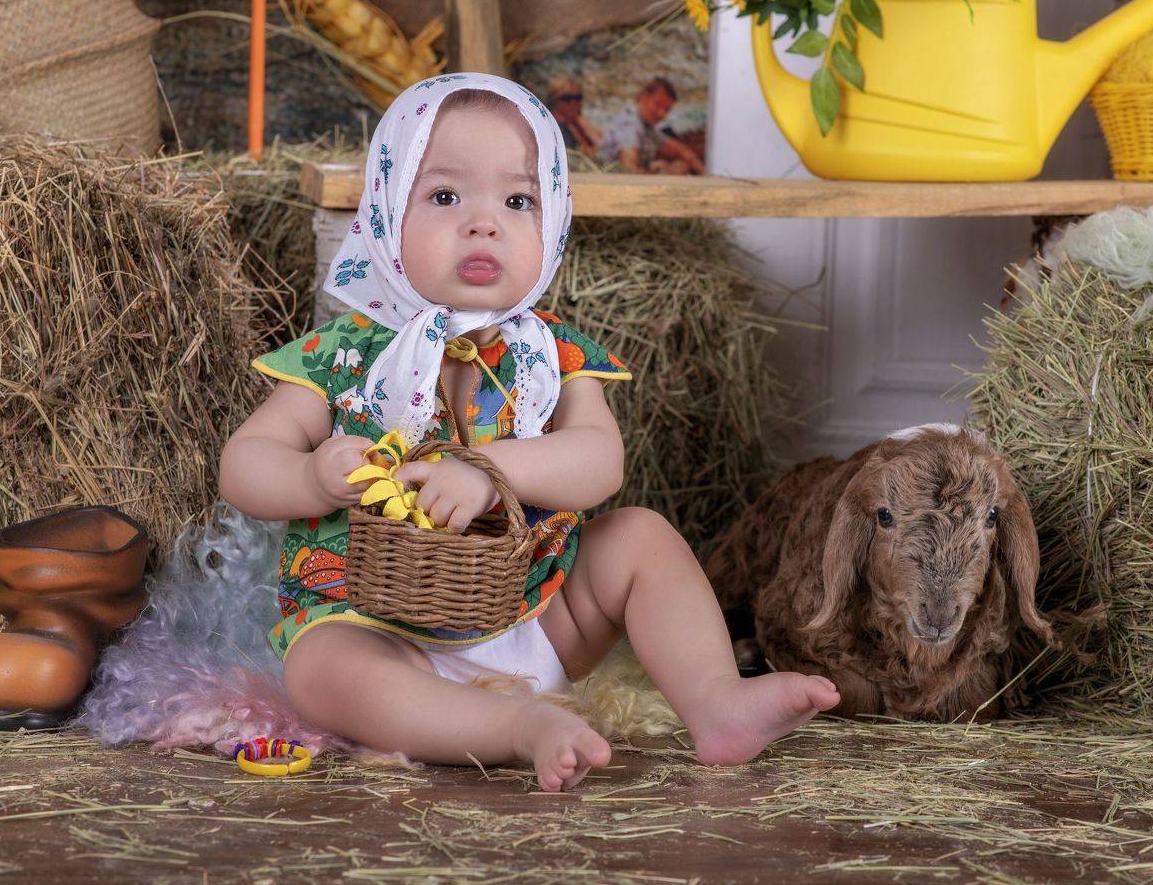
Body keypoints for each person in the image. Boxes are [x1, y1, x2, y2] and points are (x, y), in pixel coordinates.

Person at [218, 73, 838, 793]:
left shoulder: (550, 353)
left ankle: (717, 702)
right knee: (319, 669)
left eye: (518, 202)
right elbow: (244, 464)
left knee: (639, 538)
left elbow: (599, 460)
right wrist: (308, 476)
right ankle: (514, 727)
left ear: (554, 222)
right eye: (444, 197)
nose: (484, 224)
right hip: (376, 629)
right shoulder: (343, 353)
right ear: (384, 211)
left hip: (536, 614)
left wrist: (493, 471)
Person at [598, 77, 706, 175]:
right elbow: (628, 170)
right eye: (658, 105)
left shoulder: (645, 125)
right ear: (643, 97)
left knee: (681, 165)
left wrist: (705, 174)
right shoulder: (628, 125)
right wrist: (652, 171)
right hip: (613, 182)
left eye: (666, 109)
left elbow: (681, 151)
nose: (662, 114)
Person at [546, 75, 601, 157]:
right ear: (554, 101)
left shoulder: (574, 124)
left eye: (577, 98)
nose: (574, 103)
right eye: (567, 98)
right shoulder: (555, 130)